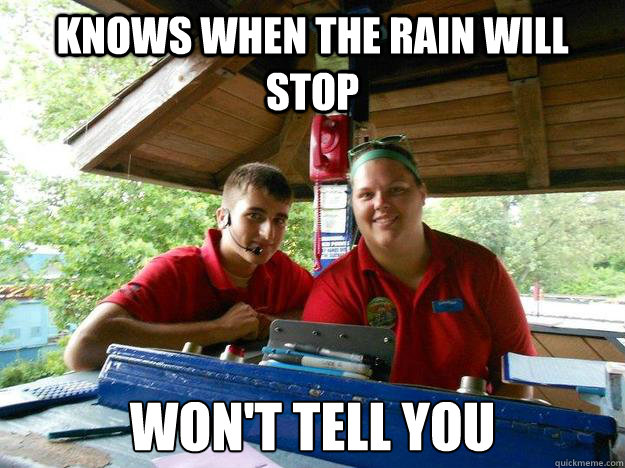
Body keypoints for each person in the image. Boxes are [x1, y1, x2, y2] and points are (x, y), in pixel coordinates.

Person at [302, 136, 536, 397]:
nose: (381, 203)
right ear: (353, 206)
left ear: (422, 194)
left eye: (397, 190)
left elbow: (519, 378)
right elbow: (325, 393)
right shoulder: (335, 287)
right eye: (366, 194)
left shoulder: (480, 268)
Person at [65, 163, 313, 371]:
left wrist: (270, 324)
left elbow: (328, 315)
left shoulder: (281, 269)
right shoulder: (175, 269)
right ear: (223, 217)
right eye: (255, 215)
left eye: (279, 220)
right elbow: (83, 349)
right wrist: (219, 329)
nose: (269, 233)